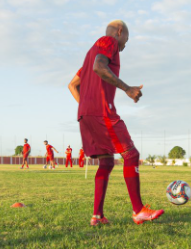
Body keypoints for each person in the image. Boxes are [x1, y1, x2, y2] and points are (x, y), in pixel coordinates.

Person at [70, 20, 163, 225]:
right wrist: (127, 88)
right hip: (100, 112)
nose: (124, 45)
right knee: (131, 154)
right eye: (126, 39)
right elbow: (99, 67)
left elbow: (72, 85)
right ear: (119, 32)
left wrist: (86, 105)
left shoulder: (89, 55)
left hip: (85, 115)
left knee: (106, 162)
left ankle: (97, 216)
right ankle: (138, 210)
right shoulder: (108, 42)